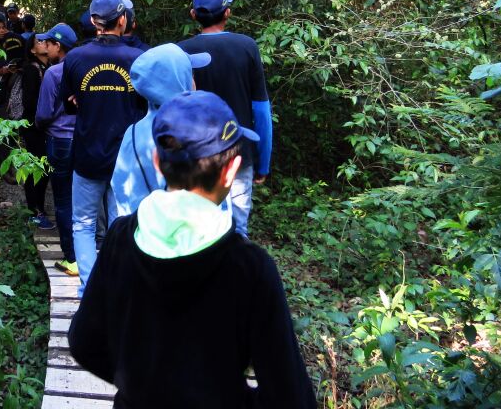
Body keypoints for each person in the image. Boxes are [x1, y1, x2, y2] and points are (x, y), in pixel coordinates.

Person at [68, 91, 316, 409]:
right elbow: (290, 394)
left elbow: (84, 342)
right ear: (231, 170)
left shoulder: (120, 238)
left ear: (158, 161)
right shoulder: (250, 266)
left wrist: (139, 384)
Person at [58, 0, 145, 294]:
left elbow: (69, 104)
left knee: (82, 223)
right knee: (119, 227)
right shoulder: (138, 59)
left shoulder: (76, 58)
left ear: (95, 21)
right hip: (125, 158)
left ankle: (89, 290)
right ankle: (115, 289)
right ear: (122, 20)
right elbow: (145, 107)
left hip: (87, 154)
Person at [178, 0, 273, 237]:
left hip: (197, 154)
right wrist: (263, 162)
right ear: (227, 13)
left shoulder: (181, 51)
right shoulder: (246, 46)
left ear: (194, 15)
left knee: (198, 229)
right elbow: (261, 111)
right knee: (237, 229)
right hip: (238, 152)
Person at [111, 44, 210, 219]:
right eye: (191, 74)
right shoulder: (199, 132)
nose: (194, 80)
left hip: (144, 235)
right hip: (193, 238)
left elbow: (122, 191)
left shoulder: (133, 133)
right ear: (180, 80)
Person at [34, 23, 80, 276]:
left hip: (59, 141)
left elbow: (43, 113)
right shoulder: (85, 69)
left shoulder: (53, 73)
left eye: (48, 43)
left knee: (62, 200)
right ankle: (89, 249)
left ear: (58, 46)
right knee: (83, 197)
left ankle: (71, 256)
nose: (45, 47)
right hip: (83, 140)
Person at [19, 34, 50, 228]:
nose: (43, 43)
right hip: (33, 127)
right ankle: (34, 211)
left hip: (43, 127)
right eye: (38, 42)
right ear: (32, 50)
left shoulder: (47, 67)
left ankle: (39, 208)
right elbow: (28, 102)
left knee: (44, 169)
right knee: (35, 169)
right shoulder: (32, 69)